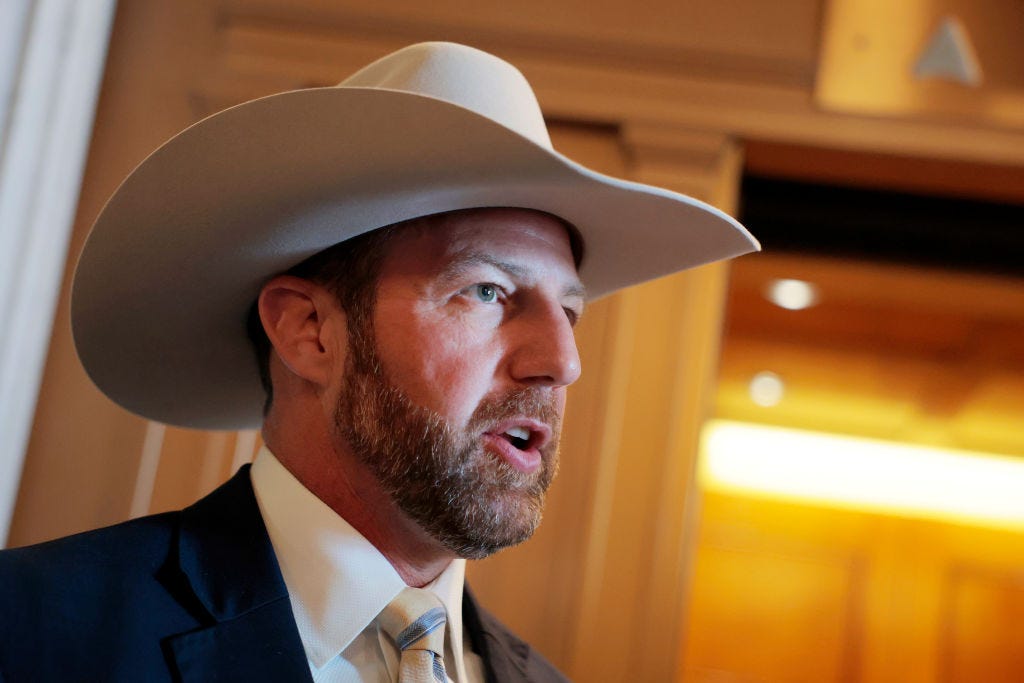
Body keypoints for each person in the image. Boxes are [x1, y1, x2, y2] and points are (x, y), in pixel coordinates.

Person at [0, 42, 758, 682]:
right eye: (487, 291)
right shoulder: (32, 629)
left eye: (569, 311)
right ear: (309, 331)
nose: (561, 361)